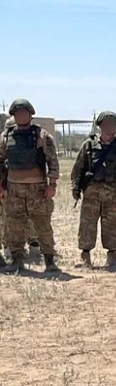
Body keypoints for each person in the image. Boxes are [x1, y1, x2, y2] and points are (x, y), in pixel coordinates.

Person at [69, 111, 116, 269]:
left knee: (112, 225)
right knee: (87, 224)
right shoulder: (89, 146)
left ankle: (112, 256)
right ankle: (85, 256)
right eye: (106, 124)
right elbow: (78, 168)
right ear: (100, 126)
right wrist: (75, 187)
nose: (109, 127)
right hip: (91, 194)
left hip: (113, 195)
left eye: (112, 124)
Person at [0, 99, 61, 273]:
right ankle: (17, 260)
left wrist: (52, 184)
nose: (21, 116)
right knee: (14, 225)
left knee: (42, 225)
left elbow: (52, 161)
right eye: (17, 114)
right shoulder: (5, 137)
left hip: (38, 189)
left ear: (30, 115)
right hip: (13, 189)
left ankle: (49, 260)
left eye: (24, 113)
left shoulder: (42, 136)